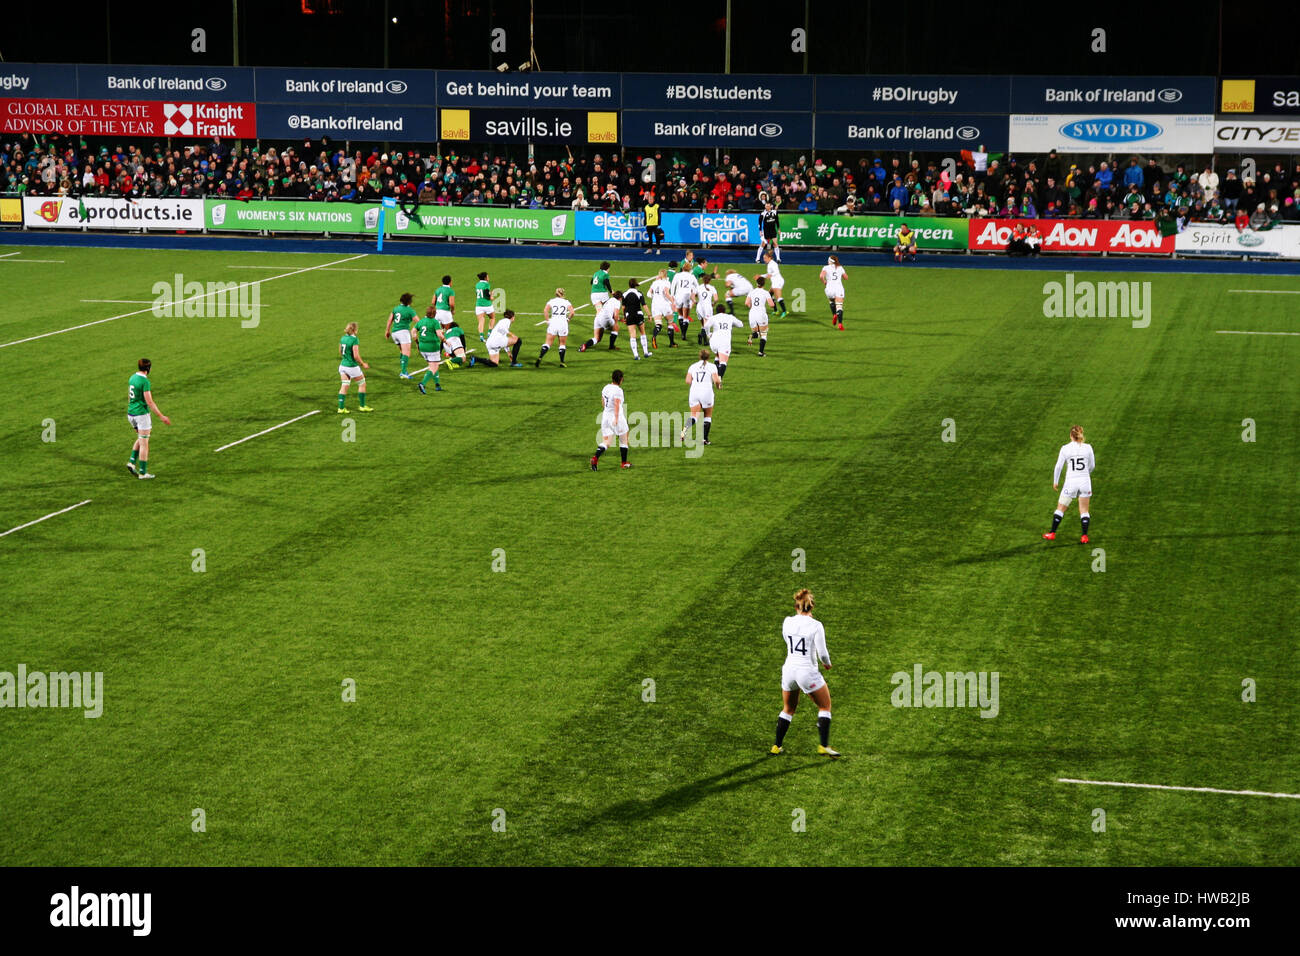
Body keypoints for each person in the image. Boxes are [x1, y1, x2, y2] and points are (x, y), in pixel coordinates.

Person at [771, 588, 838, 758]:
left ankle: (776, 746)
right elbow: (822, 653)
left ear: (796, 606)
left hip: (789, 670)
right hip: (806, 671)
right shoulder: (816, 626)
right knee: (825, 706)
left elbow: (788, 640)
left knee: (788, 708)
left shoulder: (787, 622)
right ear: (812, 607)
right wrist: (827, 664)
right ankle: (823, 746)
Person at [1044, 425, 1096, 543]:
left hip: (1070, 482)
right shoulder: (1088, 448)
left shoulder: (1065, 448)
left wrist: (1055, 482)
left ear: (1071, 436)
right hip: (1085, 482)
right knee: (1084, 510)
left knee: (1061, 508)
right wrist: (1085, 474)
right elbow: (1092, 466)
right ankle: (1084, 536)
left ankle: (1052, 533)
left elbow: (1058, 467)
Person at [126, 358, 171, 480]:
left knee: (141, 438)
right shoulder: (145, 382)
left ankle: (131, 461)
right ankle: (142, 472)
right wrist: (161, 416)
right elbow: (149, 402)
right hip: (141, 415)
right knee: (145, 443)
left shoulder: (132, 377)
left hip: (131, 414)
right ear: (148, 369)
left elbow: (130, 398)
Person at [679, 348, 722, 446]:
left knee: (694, 415)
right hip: (706, 392)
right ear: (708, 357)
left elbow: (688, 381)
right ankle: (704, 439)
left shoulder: (692, 366)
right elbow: (716, 380)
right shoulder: (712, 366)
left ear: (699, 356)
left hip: (694, 392)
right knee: (707, 416)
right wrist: (719, 385)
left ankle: (684, 431)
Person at [591, 369, 630, 470]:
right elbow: (617, 404)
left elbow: (603, 402)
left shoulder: (606, 387)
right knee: (624, 439)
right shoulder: (618, 391)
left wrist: (607, 411)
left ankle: (595, 458)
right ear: (621, 379)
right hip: (616, 416)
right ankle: (624, 463)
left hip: (605, 416)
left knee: (607, 442)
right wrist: (616, 419)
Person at [337, 321, 373, 412]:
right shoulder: (354, 340)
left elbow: (340, 352)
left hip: (342, 366)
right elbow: (356, 356)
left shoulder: (343, 338)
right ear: (354, 330)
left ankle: (341, 408)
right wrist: (363, 363)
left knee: (344, 385)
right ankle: (362, 406)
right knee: (362, 383)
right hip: (352, 366)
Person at [704, 301, 744, 380]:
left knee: (717, 357)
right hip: (724, 342)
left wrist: (708, 334)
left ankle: (714, 378)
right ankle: (718, 380)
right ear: (724, 311)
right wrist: (732, 324)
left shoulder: (713, 317)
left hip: (713, 341)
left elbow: (706, 326)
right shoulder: (730, 317)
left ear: (717, 311)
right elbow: (741, 324)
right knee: (723, 362)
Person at [536, 287, 573, 367]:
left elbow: (545, 310)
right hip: (563, 323)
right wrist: (568, 319)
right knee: (562, 344)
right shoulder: (566, 302)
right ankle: (562, 362)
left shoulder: (551, 301)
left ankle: (540, 357)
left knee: (548, 343)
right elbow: (572, 312)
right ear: (563, 294)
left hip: (553, 323)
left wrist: (547, 320)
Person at [384, 292, 418, 379]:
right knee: (406, 353)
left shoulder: (395, 309)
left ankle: (403, 370)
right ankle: (403, 372)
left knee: (402, 352)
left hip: (395, 333)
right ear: (409, 302)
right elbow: (418, 322)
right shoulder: (410, 310)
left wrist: (387, 331)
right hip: (403, 333)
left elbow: (389, 320)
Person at [413, 307, 443, 393]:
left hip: (422, 348)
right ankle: (423, 383)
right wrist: (444, 340)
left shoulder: (421, 321)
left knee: (432, 365)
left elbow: (413, 332)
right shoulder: (435, 322)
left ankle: (437, 385)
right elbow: (439, 335)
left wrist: (417, 342)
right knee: (434, 367)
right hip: (432, 348)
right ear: (434, 314)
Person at [622, 278, 651, 360]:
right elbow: (644, 305)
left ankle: (636, 355)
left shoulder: (624, 294)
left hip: (629, 316)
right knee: (642, 333)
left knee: (632, 335)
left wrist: (625, 317)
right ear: (636, 285)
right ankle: (645, 352)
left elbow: (623, 307)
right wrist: (649, 314)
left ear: (629, 285)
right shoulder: (639, 293)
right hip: (639, 315)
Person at [745, 275, 774, 357]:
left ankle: (751, 336)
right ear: (764, 284)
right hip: (761, 314)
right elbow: (771, 305)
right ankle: (760, 352)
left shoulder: (752, 292)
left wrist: (752, 307)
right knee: (764, 334)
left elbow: (746, 303)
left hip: (752, 314)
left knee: (757, 333)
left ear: (757, 283)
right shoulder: (765, 293)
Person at [648, 268, 676, 350]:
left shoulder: (654, 282)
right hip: (665, 304)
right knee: (670, 323)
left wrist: (655, 297)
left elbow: (648, 294)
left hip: (655, 305)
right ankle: (672, 343)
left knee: (658, 324)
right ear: (666, 275)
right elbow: (666, 293)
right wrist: (673, 302)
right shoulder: (667, 282)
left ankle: (654, 337)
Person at [670, 264, 699, 341]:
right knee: (686, 317)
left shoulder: (677, 275)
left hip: (678, 295)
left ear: (682, 268)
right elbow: (697, 286)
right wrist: (694, 293)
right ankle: (683, 334)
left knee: (680, 315)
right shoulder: (691, 276)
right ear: (690, 269)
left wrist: (672, 295)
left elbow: (673, 285)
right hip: (687, 295)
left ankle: (682, 332)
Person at [820, 255, 846, 330]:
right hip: (839, 288)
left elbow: (821, 276)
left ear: (830, 261)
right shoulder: (840, 267)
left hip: (830, 288)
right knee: (839, 306)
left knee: (831, 301)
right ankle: (840, 324)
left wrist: (824, 282)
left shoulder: (826, 267)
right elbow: (846, 277)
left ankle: (834, 314)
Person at [762, 250, 787, 318]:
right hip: (775, 281)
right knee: (769, 295)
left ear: (769, 258)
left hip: (778, 281)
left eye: (765, 258)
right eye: (764, 258)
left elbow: (776, 272)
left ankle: (785, 311)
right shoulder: (770, 264)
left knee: (778, 297)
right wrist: (761, 276)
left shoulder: (773, 264)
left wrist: (771, 275)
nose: (764, 260)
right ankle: (776, 311)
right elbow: (768, 274)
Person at [473, 271, 494, 341]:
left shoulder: (477, 284)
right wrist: (491, 296)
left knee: (481, 320)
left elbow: (478, 294)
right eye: (488, 276)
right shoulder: (486, 284)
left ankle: (481, 336)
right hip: (487, 305)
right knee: (492, 318)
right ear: (485, 278)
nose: (488, 277)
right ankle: (489, 333)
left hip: (479, 305)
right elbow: (486, 294)